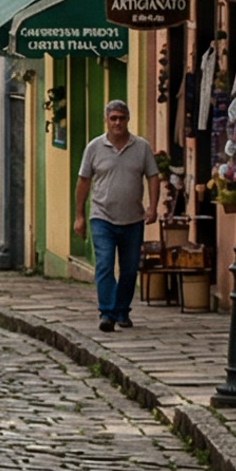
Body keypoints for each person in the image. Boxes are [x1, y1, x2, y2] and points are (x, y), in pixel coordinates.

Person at [74, 98, 161, 333]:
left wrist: (153, 207)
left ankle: (122, 310)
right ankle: (107, 313)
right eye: (113, 118)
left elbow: (153, 177)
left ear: (128, 119)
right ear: (106, 120)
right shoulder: (94, 147)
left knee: (130, 269)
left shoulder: (141, 147)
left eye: (122, 118)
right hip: (102, 216)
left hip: (133, 218)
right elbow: (83, 181)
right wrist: (79, 215)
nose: (117, 123)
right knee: (104, 264)